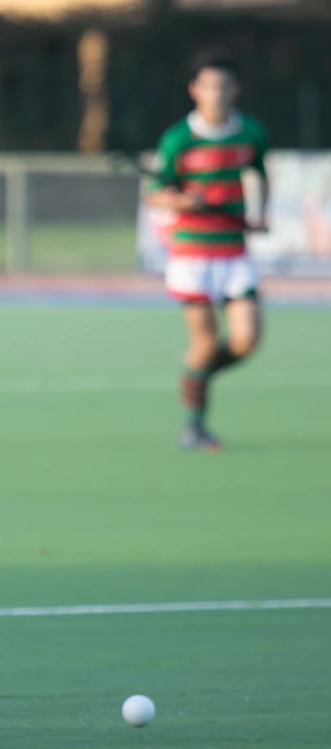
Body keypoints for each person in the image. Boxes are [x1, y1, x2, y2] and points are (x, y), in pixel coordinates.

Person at [147, 49, 269, 451]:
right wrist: (183, 202)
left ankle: (195, 377)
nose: (216, 93)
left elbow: (259, 173)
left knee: (246, 340)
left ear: (236, 90)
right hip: (192, 255)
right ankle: (192, 426)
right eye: (209, 86)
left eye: (224, 86)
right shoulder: (179, 138)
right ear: (194, 90)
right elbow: (156, 194)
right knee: (205, 341)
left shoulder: (250, 132)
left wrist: (259, 214)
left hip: (234, 252)